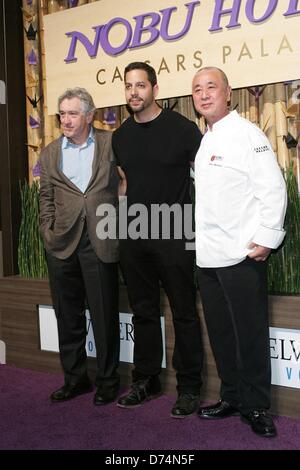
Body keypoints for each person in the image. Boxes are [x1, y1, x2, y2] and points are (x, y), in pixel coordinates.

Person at [192, 67, 287, 437]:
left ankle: (257, 406)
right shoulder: (206, 139)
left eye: (211, 87)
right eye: (197, 89)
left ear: (228, 93)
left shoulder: (248, 134)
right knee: (222, 335)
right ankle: (231, 396)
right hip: (209, 259)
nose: (203, 95)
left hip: (242, 256)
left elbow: (273, 188)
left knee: (249, 334)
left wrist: (267, 237)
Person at [112, 62, 203, 418]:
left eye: (140, 85)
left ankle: (190, 389)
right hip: (134, 236)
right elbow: (124, 185)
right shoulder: (121, 136)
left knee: (184, 313)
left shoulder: (184, 130)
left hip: (176, 233)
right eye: (128, 86)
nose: (134, 92)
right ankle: (145, 380)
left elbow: (206, 180)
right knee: (143, 312)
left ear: (155, 89)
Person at [39, 87, 120, 406]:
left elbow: (125, 181)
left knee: (104, 315)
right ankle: (75, 379)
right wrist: (47, 230)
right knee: (67, 315)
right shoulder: (48, 153)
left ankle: (108, 381)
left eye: (73, 113)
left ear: (89, 116)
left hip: (100, 240)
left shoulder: (110, 142)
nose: (66, 119)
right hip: (61, 244)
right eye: (62, 114)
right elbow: (45, 196)